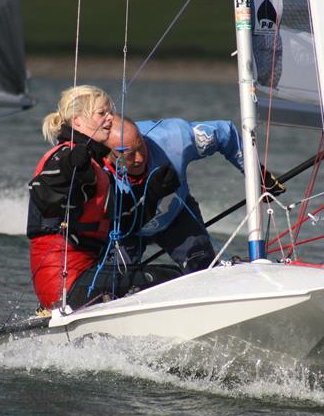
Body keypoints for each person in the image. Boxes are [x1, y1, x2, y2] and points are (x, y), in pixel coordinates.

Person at [26, 86, 179, 311]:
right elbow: (44, 195)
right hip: (64, 285)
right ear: (77, 121)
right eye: (102, 113)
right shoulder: (65, 156)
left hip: (86, 276)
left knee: (169, 274)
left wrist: (153, 192)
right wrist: (69, 170)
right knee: (169, 279)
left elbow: (125, 221)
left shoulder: (98, 167)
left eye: (110, 112)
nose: (110, 119)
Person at [103, 116, 285, 273]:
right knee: (109, 284)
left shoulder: (174, 138)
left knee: (203, 271)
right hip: (123, 229)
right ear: (108, 153)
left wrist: (257, 173)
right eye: (129, 154)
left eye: (141, 146)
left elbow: (225, 133)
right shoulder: (96, 170)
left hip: (176, 215)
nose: (140, 158)